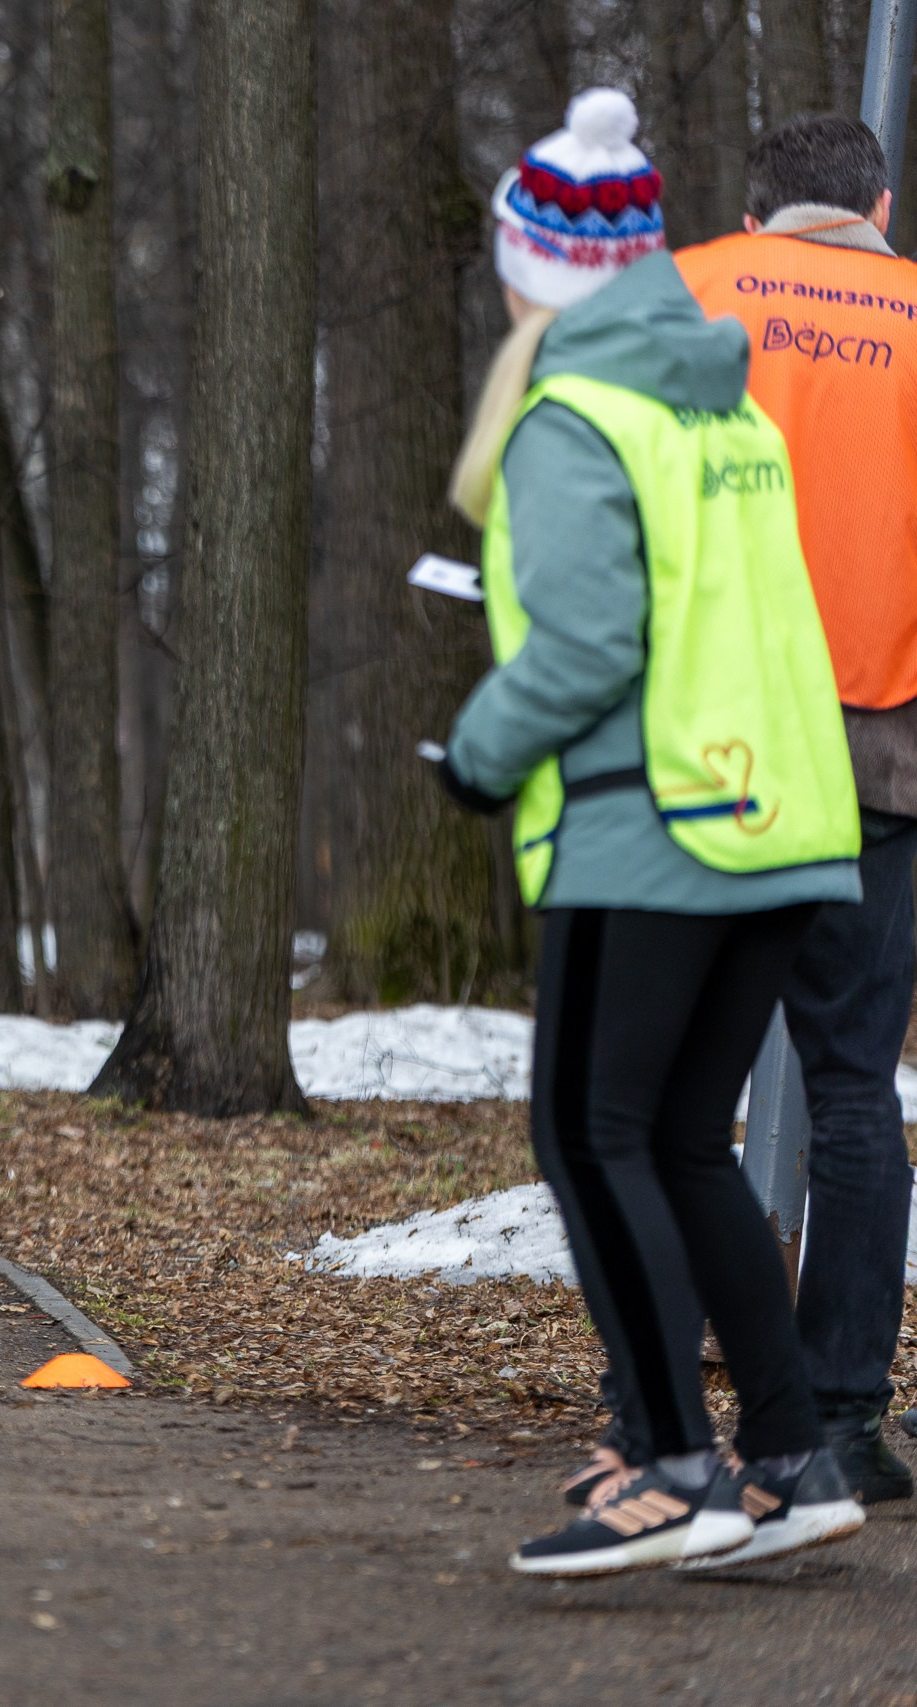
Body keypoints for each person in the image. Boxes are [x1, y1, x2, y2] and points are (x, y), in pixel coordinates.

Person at [436, 88, 867, 1576]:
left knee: (589, 1132)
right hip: (781, 818)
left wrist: (478, 757)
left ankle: (676, 1463)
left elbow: (584, 647)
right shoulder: (719, 404)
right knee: (685, 1140)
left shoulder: (572, 417)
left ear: (536, 271)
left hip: (649, 822)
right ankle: (793, 1456)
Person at [671, 114, 917, 1506]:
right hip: (875, 751)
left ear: (757, 211)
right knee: (853, 1088)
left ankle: (657, 1411)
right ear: (878, 206)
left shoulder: (691, 290)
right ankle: (840, 1420)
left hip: (703, 746)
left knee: (663, 1092)